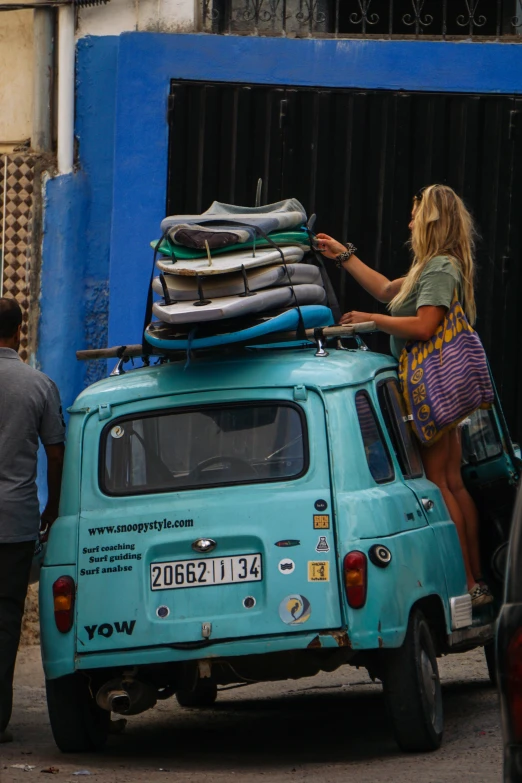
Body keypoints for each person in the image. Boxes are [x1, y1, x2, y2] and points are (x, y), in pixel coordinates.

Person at [316, 184, 492, 608]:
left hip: (428, 389)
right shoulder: (431, 267)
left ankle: (467, 581)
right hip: (436, 391)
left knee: (441, 484)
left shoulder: (439, 269)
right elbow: (384, 289)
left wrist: (372, 322)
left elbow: (424, 326)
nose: (409, 222)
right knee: (452, 483)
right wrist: (342, 255)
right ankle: (477, 581)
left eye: (415, 214)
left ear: (430, 219)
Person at [0, 298, 66, 742]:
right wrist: (53, 507)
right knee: (6, 619)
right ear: (19, 333)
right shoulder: (39, 385)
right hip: (15, 521)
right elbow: (57, 451)